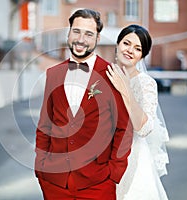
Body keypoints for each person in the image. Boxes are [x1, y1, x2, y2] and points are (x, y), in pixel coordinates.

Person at [35, 9, 133, 200]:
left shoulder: (112, 74)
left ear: (97, 38)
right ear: (69, 33)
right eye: (76, 31)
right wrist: (41, 166)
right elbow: (45, 125)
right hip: (55, 183)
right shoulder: (53, 74)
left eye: (89, 34)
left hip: (97, 184)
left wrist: (113, 173)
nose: (81, 39)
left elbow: (124, 128)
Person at [106, 24, 170, 200]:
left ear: (142, 56)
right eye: (126, 43)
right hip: (102, 157)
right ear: (117, 44)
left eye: (137, 48)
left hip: (132, 158)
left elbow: (144, 128)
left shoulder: (146, 84)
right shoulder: (104, 75)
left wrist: (126, 89)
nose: (129, 50)